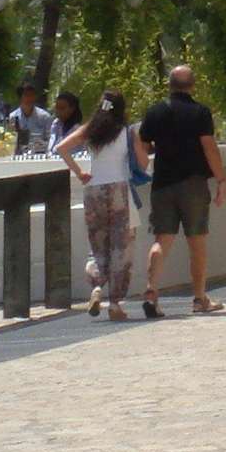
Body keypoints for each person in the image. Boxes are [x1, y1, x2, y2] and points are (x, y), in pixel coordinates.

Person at [138, 65, 226, 318]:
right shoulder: (200, 112)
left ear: (170, 85)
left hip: (162, 183)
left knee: (162, 240)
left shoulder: (155, 112)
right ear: (192, 86)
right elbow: (209, 147)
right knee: (196, 241)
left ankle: (151, 292)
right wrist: (221, 179)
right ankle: (200, 298)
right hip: (193, 183)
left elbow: (142, 146)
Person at [57, 91, 150, 320]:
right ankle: (115, 303)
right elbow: (143, 162)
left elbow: (62, 148)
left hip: (94, 190)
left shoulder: (90, 129)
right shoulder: (127, 131)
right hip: (120, 190)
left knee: (98, 244)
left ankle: (97, 287)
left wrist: (80, 173)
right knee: (122, 247)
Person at [10, 81, 55, 154]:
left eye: (32, 95)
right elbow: (11, 141)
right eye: (26, 95)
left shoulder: (45, 116)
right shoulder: (13, 117)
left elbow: (51, 141)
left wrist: (42, 144)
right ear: (20, 97)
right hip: (20, 155)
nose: (30, 98)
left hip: (40, 154)